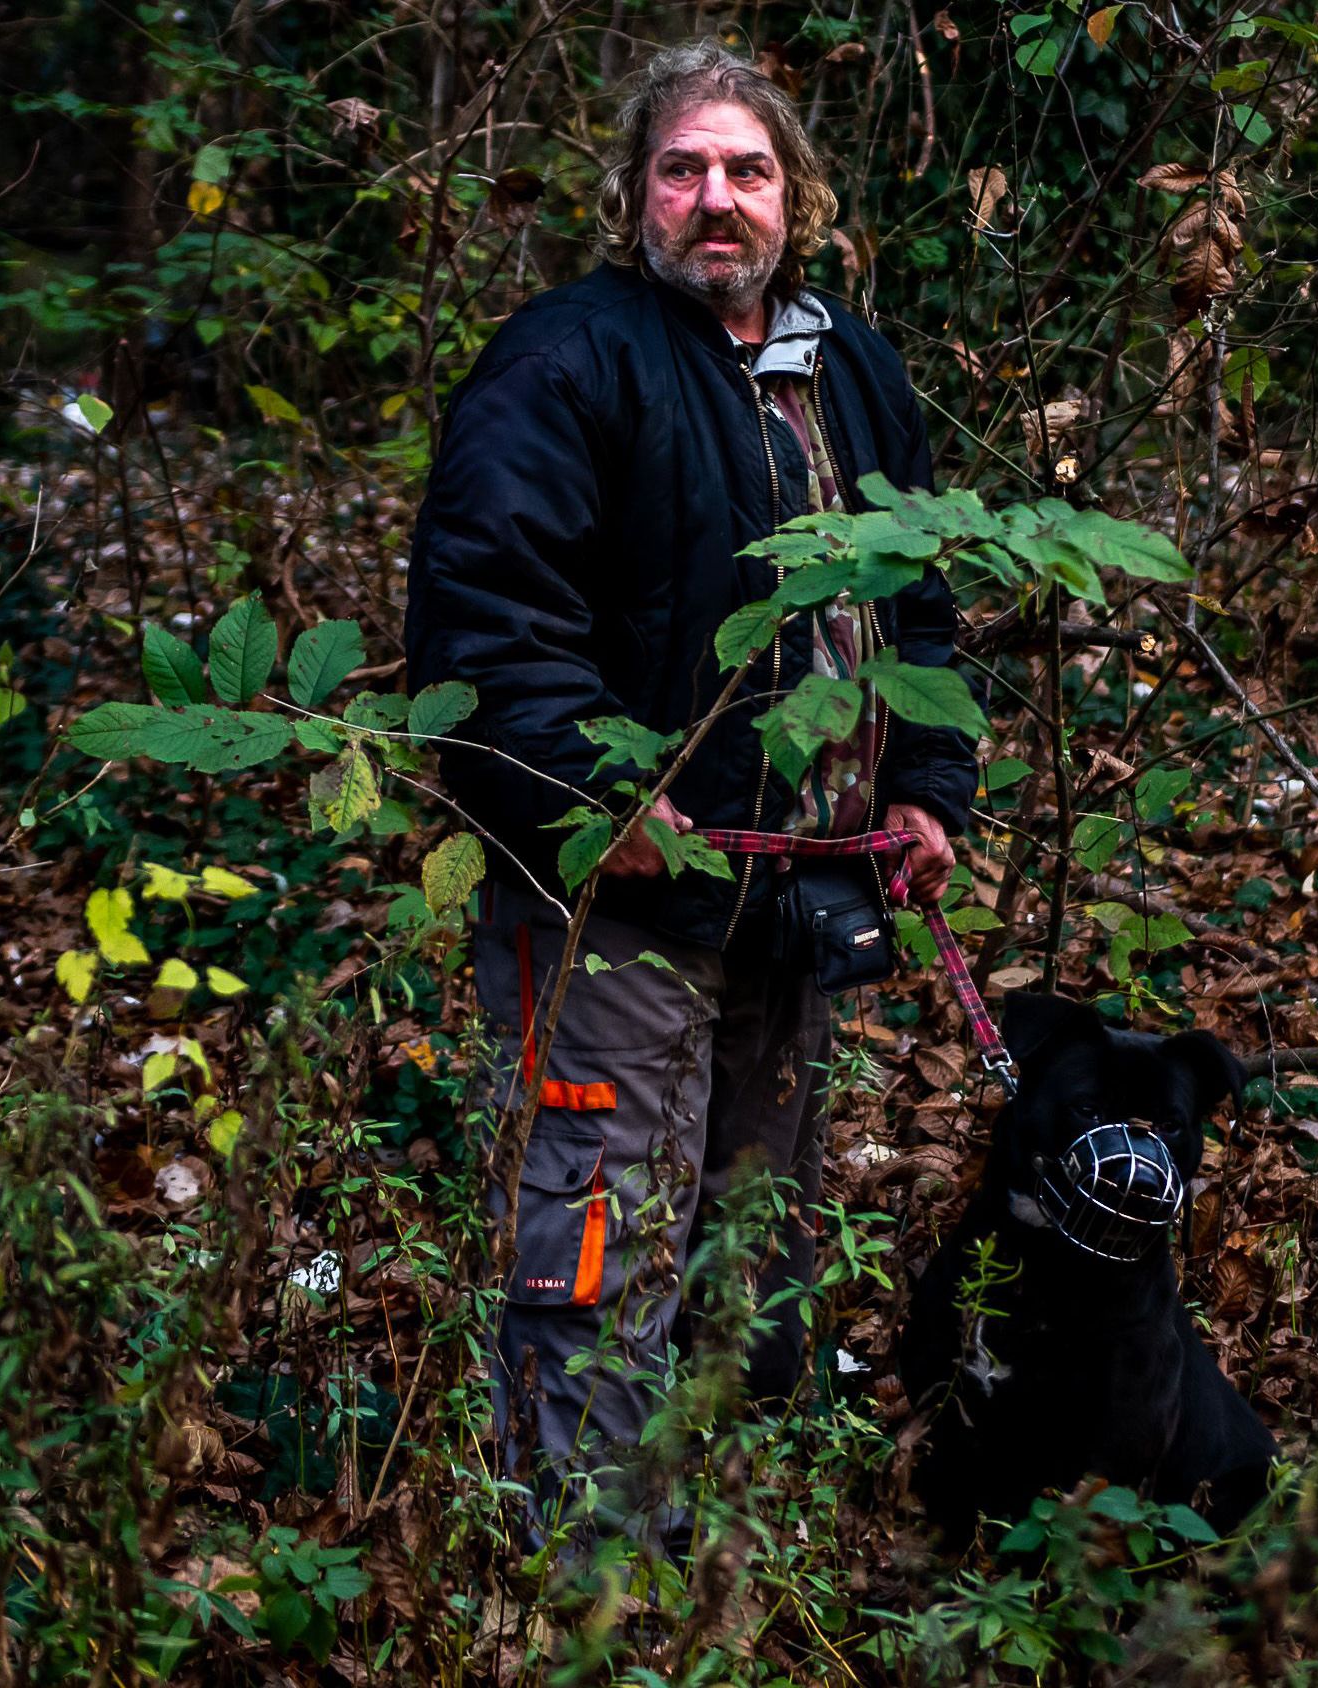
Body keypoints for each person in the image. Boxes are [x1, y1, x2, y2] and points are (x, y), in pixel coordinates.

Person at [402, 42, 979, 1540]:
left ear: (798, 193)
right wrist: (600, 808)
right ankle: (582, 1572)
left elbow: (918, 610)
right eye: (683, 169)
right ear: (633, 194)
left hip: (801, 896)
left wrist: (924, 787)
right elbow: (485, 628)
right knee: (603, 1229)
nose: (716, 200)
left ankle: (724, 1542)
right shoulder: (563, 362)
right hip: (612, 898)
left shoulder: (852, 366)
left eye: (748, 170)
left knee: (749, 1237)